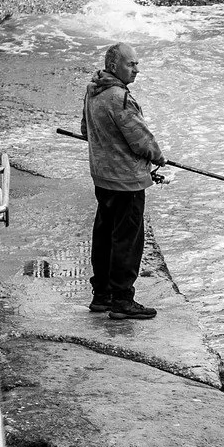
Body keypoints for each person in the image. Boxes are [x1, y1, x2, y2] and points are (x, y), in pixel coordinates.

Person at [80, 42, 168, 319]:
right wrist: (158, 157)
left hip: (102, 177)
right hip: (126, 182)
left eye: (137, 64)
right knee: (127, 241)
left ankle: (102, 295)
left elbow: (86, 129)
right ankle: (122, 301)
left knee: (104, 235)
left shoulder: (93, 91)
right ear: (114, 66)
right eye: (132, 64)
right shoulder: (119, 98)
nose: (137, 70)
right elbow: (141, 139)